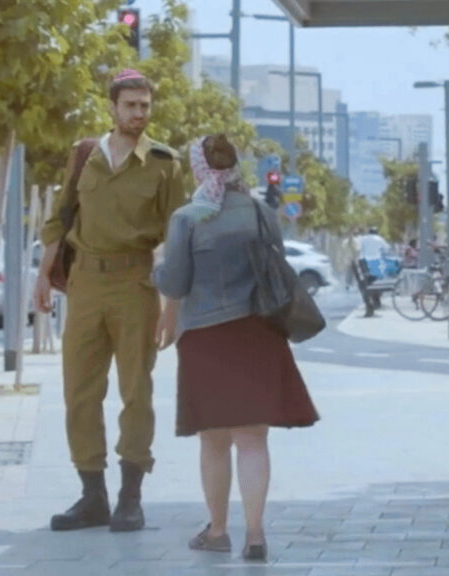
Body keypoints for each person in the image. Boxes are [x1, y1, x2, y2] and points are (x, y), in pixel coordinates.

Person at [151, 135, 319, 562]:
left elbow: (175, 284)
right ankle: (256, 535)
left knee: (213, 441)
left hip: (206, 337)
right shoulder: (261, 212)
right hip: (259, 331)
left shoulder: (187, 217)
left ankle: (218, 530)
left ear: (198, 168)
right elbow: (276, 265)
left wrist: (157, 267)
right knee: (253, 439)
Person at [33, 69, 185, 534]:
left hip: (136, 283)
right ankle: (92, 495)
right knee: (79, 390)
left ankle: (130, 497)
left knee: (135, 390)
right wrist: (44, 273)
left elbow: (177, 236)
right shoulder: (85, 155)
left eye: (145, 106)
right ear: (113, 107)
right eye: (131, 105)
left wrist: (172, 304)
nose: (139, 113)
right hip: (85, 284)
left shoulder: (165, 164)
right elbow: (60, 217)